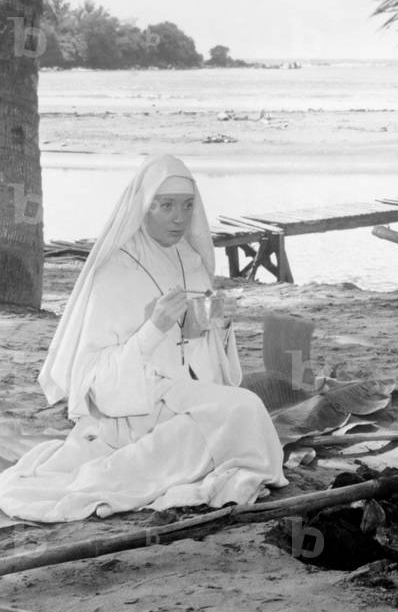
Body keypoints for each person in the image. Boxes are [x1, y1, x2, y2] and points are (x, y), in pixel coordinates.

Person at [0, 155, 287, 522]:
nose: (179, 218)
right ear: (144, 207)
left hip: (185, 395)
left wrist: (219, 329)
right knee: (238, 417)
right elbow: (96, 379)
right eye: (166, 206)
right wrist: (153, 328)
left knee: (244, 409)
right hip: (133, 410)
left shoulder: (192, 260)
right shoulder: (114, 270)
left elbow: (204, 355)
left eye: (187, 206)